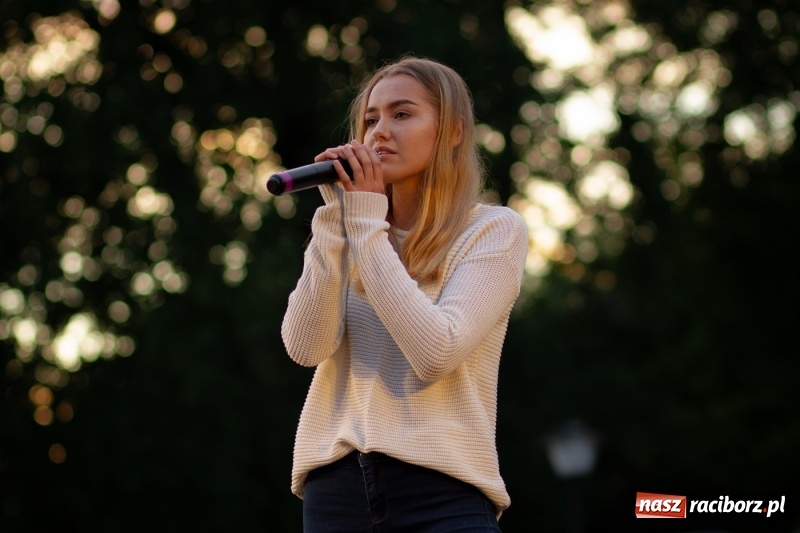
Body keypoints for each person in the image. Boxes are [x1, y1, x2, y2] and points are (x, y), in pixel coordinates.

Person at [280, 56, 528, 532]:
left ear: (453, 131)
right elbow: (305, 347)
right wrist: (335, 220)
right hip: (336, 496)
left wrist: (366, 221)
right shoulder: (354, 227)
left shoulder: (493, 231)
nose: (379, 132)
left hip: (443, 495)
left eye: (402, 114)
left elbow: (435, 352)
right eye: (370, 119)